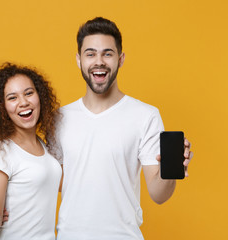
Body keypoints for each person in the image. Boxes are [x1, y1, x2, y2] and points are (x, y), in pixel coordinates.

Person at [55, 17, 193, 240]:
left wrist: (171, 170)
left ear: (120, 59)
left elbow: (158, 195)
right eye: (90, 54)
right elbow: (52, 181)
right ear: (79, 60)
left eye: (107, 54)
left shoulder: (145, 115)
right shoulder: (58, 118)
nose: (99, 61)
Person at [0, 63, 62, 240]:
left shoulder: (44, 146)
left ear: (40, 96)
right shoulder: (0, 150)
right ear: (2, 108)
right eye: (12, 98)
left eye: (29, 93)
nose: (23, 102)